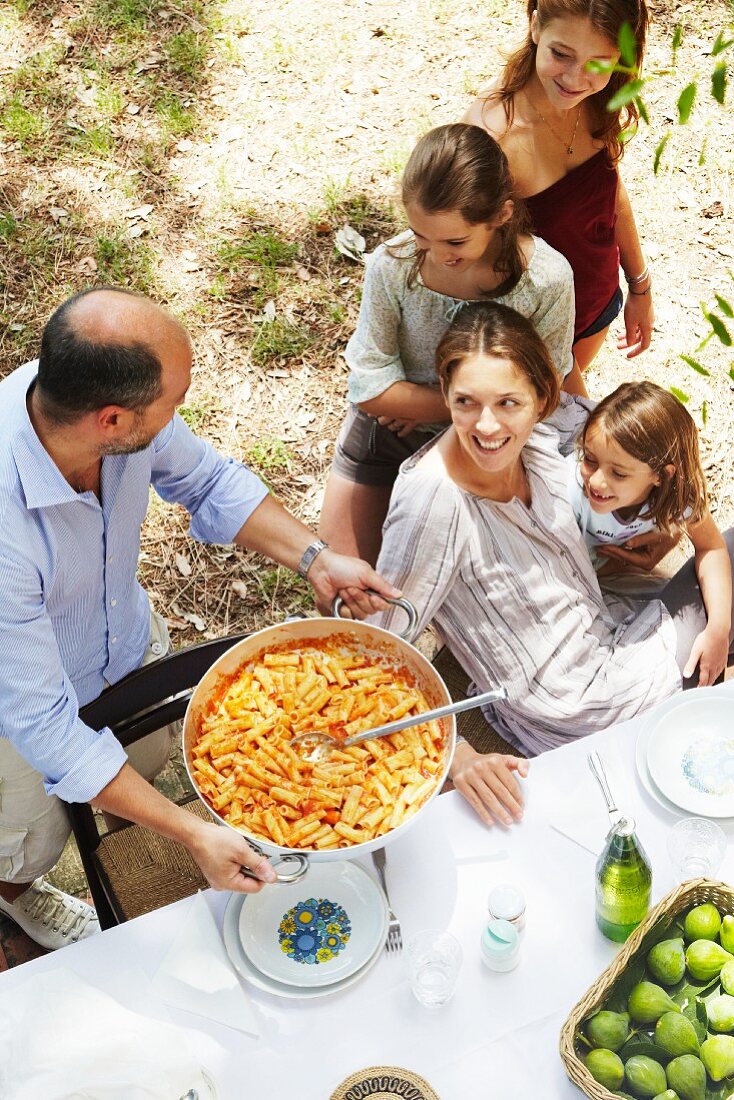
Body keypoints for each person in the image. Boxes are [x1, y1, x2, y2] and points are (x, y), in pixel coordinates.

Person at [0, 287, 399, 950]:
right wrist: (192, 833)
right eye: (173, 404)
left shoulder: (86, 408)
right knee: (26, 837)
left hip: (123, 646)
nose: (179, 415)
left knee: (138, 762)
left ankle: (127, 817)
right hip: (21, 711)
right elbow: (46, 729)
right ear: (111, 422)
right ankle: (18, 899)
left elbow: (209, 482)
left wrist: (316, 559)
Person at [372, 302, 734, 825]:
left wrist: (661, 526)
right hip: (586, 701)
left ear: (543, 398)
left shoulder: (550, 434)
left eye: (508, 402)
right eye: (465, 402)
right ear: (444, 397)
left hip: (606, 632)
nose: (487, 424)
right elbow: (375, 649)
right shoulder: (432, 504)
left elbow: (636, 447)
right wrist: (457, 756)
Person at [318, 122, 587, 564]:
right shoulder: (392, 266)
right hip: (389, 434)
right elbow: (369, 390)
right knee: (344, 590)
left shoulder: (547, 280)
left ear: (501, 215)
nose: (437, 254)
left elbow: (546, 388)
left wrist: (426, 405)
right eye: (421, 235)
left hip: (492, 439)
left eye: (456, 240)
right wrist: (464, 404)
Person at [464, 0, 653, 370]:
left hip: (598, 304)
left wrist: (639, 285)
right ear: (535, 27)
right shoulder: (491, 139)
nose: (575, 79)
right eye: (561, 54)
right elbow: (460, 263)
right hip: (531, 339)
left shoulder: (600, 97)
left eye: (599, 62)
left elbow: (608, 190)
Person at [568, 381, 733, 686]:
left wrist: (719, 630)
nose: (597, 482)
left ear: (661, 475)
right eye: (590, 459)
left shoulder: (676, 497)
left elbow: (712, 548)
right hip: (582, 588)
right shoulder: (570, 494)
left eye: (618, 473)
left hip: (616, 577)